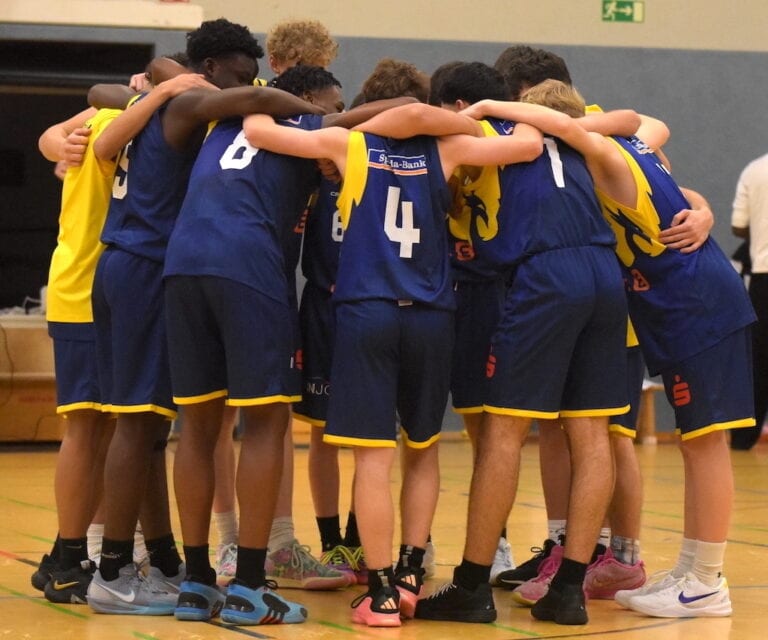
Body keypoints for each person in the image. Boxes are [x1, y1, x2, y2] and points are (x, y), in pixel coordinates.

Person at [243, 100, 542, 627]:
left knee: (372, 461)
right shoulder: (448, 150)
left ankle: (380, 595)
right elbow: (529, 143)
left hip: (367, 313)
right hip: (431, 317)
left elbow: (258, 131)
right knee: (422, 452)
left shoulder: (349, 144)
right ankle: (409, 573)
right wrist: (468, 116)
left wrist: (339, 119)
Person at [469, 80, 756, 618]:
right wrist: (702, 206)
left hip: (694, 300)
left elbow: (591, 127)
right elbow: (643, 123)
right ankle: (693, 568)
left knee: (705, 442)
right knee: (697, 442)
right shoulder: (624, 145)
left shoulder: (599, 153)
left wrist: (488, 108)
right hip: (678, 301)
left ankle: (707, 580)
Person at [84, 18, 325, 616]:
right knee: (258, 421)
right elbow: (260, 98)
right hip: (184, 263)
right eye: (241, 74)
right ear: (212, 70)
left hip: (163, 265)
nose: (250, 81)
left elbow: (104, 96)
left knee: (182, 426)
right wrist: (316, 113)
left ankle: (186, 576)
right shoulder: (236, 112)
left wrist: (160, 85)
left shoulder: (195, 114)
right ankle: (233, 582)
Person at [413, 92, 636, 626]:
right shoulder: (582, 139)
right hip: (605, 273)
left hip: (546, 275)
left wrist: (483, 110)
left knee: (503, 431)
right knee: (591, 433)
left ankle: (470, 585)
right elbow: (636, 121)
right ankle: (569, 589)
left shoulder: (490, 136)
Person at [31, 72, 211, 606]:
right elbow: (70, 128)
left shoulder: (118, 119)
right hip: (92, 287)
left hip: (91, 285)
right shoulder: (130, 129)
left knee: (134, 430)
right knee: (88, 432)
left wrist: (56, 139)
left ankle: (149, 552)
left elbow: (60, 131)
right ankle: (70, 557)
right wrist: (156, 95)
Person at [433, 61, 517, 585]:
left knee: (485, 425)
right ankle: (416, 545)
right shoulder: (434, 140)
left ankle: (497, 543)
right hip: (442, 288)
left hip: (486, 289)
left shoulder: (508, 140)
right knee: (442, 425)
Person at [731, 152, 768, 450]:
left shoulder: (755, 168)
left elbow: (738, 225)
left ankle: (743, 438)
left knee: (758, 360)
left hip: (763, 276)